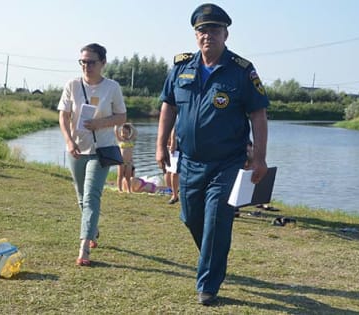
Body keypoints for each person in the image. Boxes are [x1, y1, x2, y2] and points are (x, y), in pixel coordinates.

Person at [156, 3, 269, 305]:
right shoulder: (181, 67)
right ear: (196, 35)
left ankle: (208, 284)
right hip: (189, 161)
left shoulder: (242, 71)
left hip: (227, 162)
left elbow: (258, 114)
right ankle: (213, 256)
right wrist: (160, 143)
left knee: (217, 219)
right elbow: (168, 105)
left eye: (214, 29)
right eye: (202, 30)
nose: (208, 35)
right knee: (190, 216)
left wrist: (259, 157)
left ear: (226, 33)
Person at [58, 43, 126, 266]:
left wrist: (100, 123)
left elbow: (121, 117)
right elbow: (64, 116)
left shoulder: (112, 87)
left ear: (103, 63)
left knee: (91, 196)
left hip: (102, 149)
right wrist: (69, 141)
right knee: (80, 195)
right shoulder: (72, 85)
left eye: (91, 62)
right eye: (83, 62)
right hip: (77, 148)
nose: (86, 66)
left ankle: (84, 247)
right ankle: (92, 228)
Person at [115, 122, 137, 193]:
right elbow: (116, 132)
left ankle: (129, 190)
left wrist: (131, 125)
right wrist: (118, 126)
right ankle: (120, 189)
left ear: (129, 133)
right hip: (121, 161)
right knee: (120, 176)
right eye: (123, 132)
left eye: (126, 133)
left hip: (129, 162)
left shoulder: (131, 140)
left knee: (128, 177)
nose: (124, 134)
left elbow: (135, 132)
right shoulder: (120, 140)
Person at [164, 128, 179, 204]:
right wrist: (172, 142)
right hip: (176, 149)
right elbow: (174, 128)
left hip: (188, 146)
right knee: (172, 172)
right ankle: (174, 195)